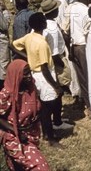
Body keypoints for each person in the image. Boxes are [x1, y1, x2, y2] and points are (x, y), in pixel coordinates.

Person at [11, 12, 66, 146]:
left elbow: (13, 45)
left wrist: (28, 57)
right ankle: (51, 138)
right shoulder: (41, 43)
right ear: (43, 24)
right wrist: (56, 86)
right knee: (48, 107)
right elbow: (45, 69)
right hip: (44, 76)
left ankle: (47, 132)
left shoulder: (29, 37)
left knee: (44, 105)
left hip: (36, 74)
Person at [0, 60, 50, 170]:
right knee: (41, 167)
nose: (28, 76)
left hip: (31, 133)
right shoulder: (7, 94)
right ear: (16, 75)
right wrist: (15, 130)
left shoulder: (30, 87)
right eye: (25, 74)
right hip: (14, 136)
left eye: (29, 72)